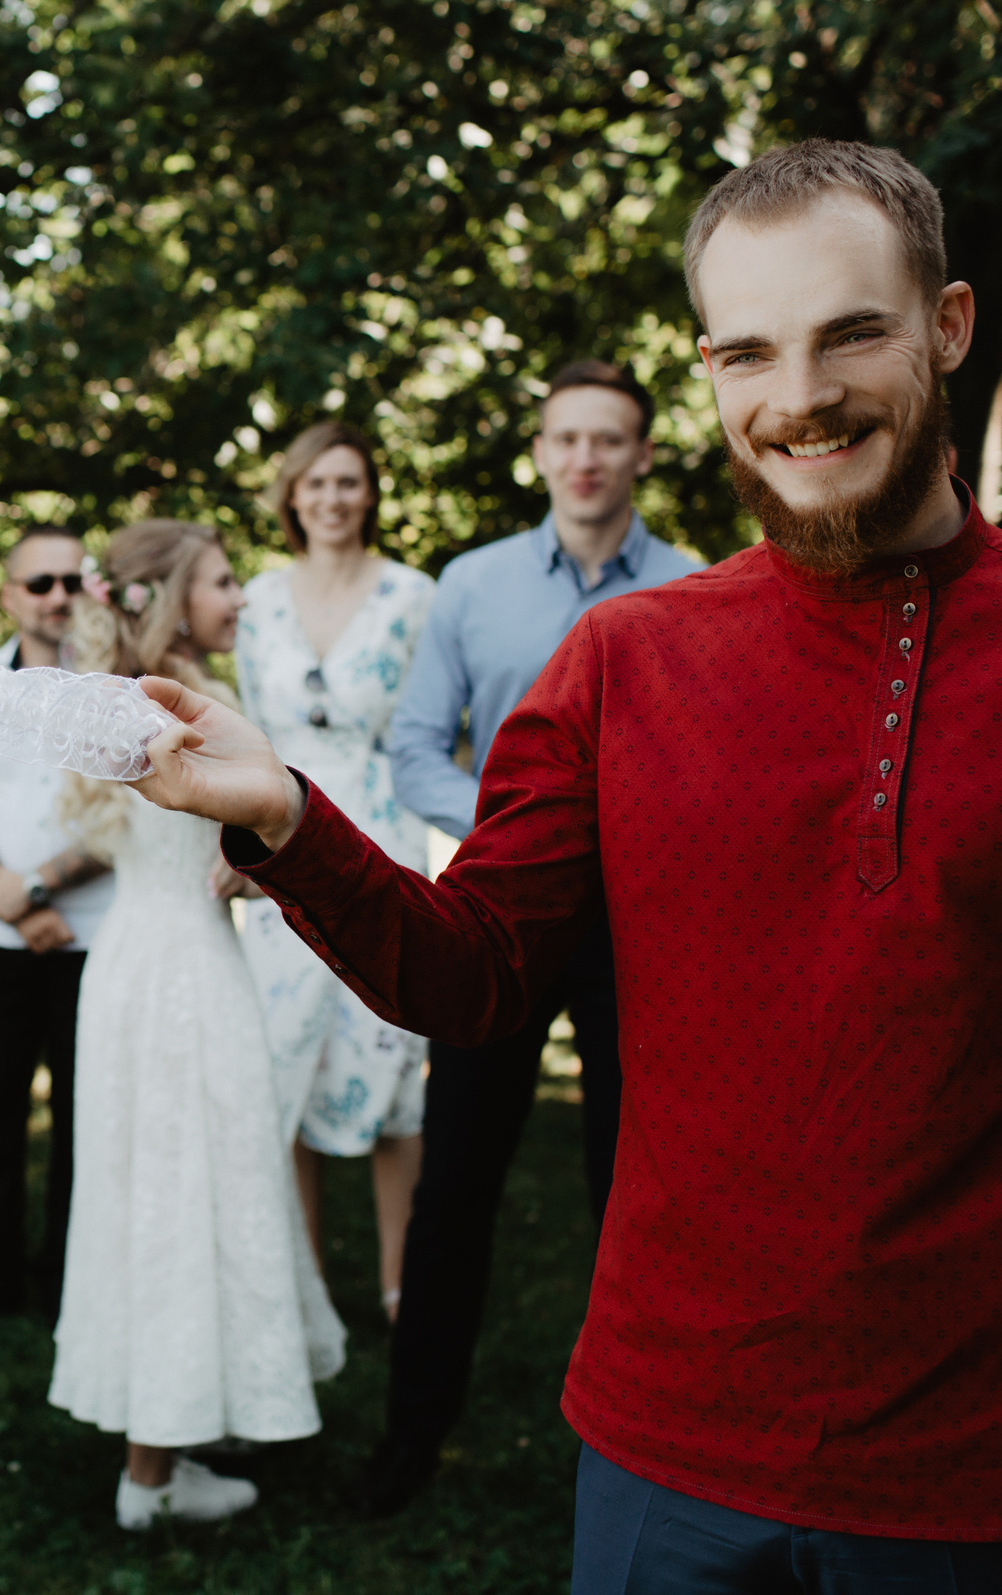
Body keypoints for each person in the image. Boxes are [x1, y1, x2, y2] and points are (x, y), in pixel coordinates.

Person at [126, 141, 1002, 1593]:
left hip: (1000, 1478)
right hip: (660, 1460)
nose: (800, 398)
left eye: (853, 331)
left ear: (952, 325)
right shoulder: (617, 661)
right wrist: (287, 812)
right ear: (710, 367)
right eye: (749, 351)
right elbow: (475, 973)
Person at [357, 359, 700, 1514]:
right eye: (566, 439)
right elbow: (415, 752)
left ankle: (643, 1442)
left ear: (643, 454)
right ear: (542, 453)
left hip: (645, 926)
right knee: (455, 1179)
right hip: (501, 906)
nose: (586, 458)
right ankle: (410, 1437)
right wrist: (524, 829)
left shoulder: (704, 589)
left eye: (609, 439)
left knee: (636, 1182)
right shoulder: (473, 584)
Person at [49, 520, 343, 1530]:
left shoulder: (118, 697)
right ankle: (151, 1473)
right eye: (222, 581)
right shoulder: (176, 701)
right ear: (170, 595)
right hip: (180, 971)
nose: (241, 598)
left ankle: (171, 1428)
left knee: (158, 1190)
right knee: (184, 1193)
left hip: (135, 957)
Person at [232, 421, 437, 1319]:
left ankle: (402, 1280)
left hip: (384, 829)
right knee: (283, 1060)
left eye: (348, 482)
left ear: (370, 493)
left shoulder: (415, 594)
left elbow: (432, 727)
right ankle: (302, 1282)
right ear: (292, 495)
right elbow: (243, 728)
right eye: (316, 483)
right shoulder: (258, 599)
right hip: (282, 835)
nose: (332, 498)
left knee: (393, 1054)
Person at [0, 523, 116, 1331]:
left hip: (101, 940)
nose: (57, 597)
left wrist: (39, 888)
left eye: (72, 581)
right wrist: (17, 903)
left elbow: (124, 815)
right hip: (4, 941)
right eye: (39, 583)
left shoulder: (117, 685)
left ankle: (67, 1279)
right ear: (10, 595)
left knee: (88, 1115)